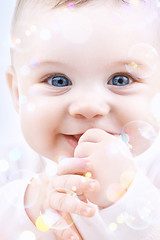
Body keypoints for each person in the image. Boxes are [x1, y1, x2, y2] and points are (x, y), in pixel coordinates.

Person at [2, 0, 160, 239]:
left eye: (120, 79)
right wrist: (28, 208)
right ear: (18, 94)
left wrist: (128, 195)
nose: (89, 107)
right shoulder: (10, 171)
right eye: (58, 81)